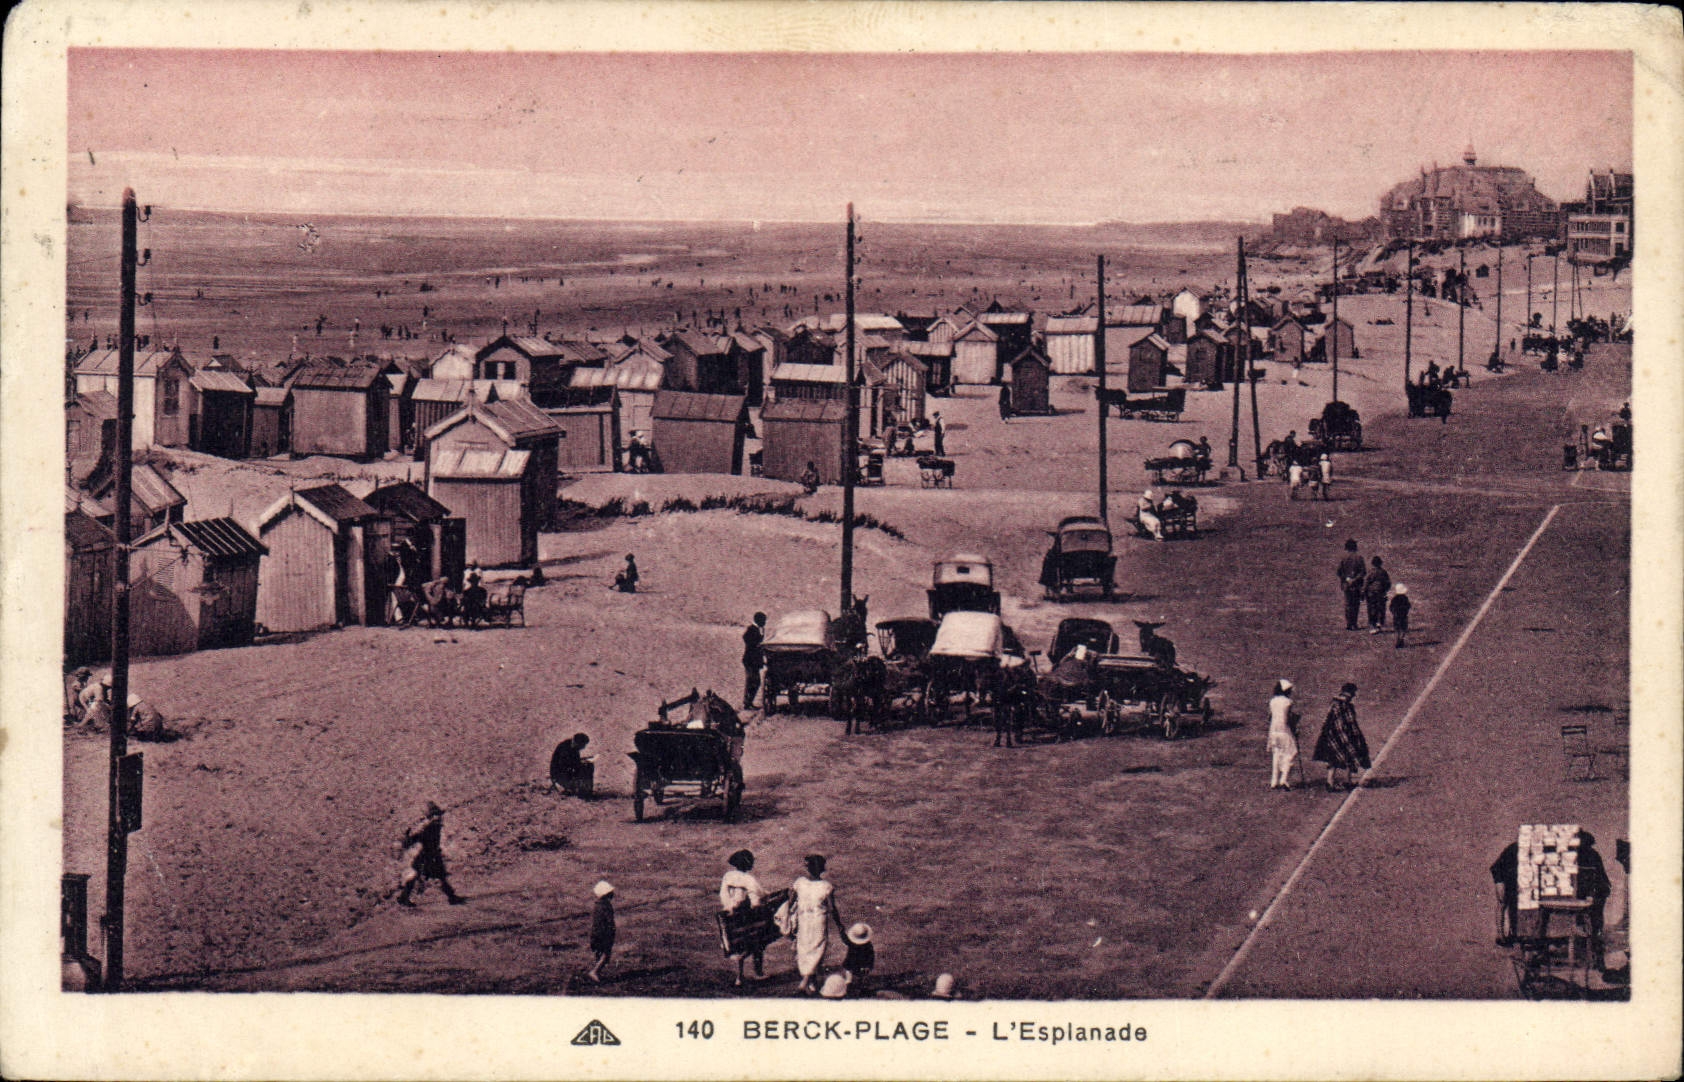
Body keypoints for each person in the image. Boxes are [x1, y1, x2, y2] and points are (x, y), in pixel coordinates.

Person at [790, 854, 846, 994]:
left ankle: (812, 983)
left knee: (804, 949)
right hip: (818, 921)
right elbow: (832, 909)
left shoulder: (800, 883)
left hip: (804, 920)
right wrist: (839, 925)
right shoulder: (826, 886)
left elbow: (790, 901)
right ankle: (805, 983)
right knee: (817, 949)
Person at [398, 802, 464, 907]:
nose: (440, 818)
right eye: (437, 815)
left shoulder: (433, 826)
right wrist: (410, 839)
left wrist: (410, 838)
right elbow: (420, 838)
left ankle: (404, 897)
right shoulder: (431, 828)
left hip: (429, 856)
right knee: (439, 877)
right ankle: (452, 898)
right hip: (428, 857)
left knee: (430, 877)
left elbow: (417, 838)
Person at [1312, 682, 1370, 791]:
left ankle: (1330, 783)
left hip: (1329, 735)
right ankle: (1348, 781)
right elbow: (1350, 723)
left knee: (1332, 760)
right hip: (1342, 735)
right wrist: (1356, 737)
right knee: (1351, 756)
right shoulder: (1346, 706)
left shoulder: (1333, 703)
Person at [720, 850, 766, 986]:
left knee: (739, 942)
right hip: (745, 914)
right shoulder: (749, 879)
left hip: (730, 913)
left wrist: (729, 906)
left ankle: (739, 976)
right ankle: (758, 973)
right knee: (758, 939)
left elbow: (723, 895)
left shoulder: (728, 876)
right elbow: (757, 896)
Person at [1267, 680, 1299, 790]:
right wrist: (1295, 728)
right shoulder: (1288, 702)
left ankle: (1274, 781)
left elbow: (1270, 716)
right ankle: (1284, 780)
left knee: (1276, 754)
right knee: (1290, 753)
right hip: (1284, 729)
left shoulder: (1272, 701)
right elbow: (1289, 718)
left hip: (1273, 730)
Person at [1489, 839, 1521, 946]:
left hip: (1515, 880)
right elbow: (1496, 867)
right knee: (1502, 903)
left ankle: (1513, 933)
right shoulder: (1513, 849)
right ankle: (1500, 935)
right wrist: (1499, 883)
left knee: (1514, 906)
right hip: (1503, 878)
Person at [588, 880, 615, 982]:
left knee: (599, 954)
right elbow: (609, 922)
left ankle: (596, 973)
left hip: (595, 934)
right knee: (606, 955)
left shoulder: (597, 905)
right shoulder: (607, 906)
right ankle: (594, 972)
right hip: (604, 934)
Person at [1337, 539, 1366, 631]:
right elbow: (1363, 572)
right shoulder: (1359, 558)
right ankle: (1354, 623)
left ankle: (1349, 624)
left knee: (1348, 604)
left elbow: (1339, 572)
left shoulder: (1343, 558)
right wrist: (1354, 580)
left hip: (1346, 585)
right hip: (1356, 585)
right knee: (1355, 605)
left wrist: (1346, 579)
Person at [742, 612, 768, 710]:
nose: (765, 622)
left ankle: (748, 702)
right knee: (753, 681)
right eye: (764, 621)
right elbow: (746, 639)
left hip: (753, 661)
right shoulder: (752, 629)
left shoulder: (757, 630)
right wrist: (757, 645)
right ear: (759, 620)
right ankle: (747, 702)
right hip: (750, 661)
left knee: (754, 681)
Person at [842, 923, 875, 993]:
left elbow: (844, 939)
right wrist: (869, 965)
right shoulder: (868, 945)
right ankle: (861, 985)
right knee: (862, 974)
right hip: (863, 962)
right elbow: (871, 955)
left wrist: (842, 931)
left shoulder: (851, 943)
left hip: (851, 960)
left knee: (849, 971)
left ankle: (848, 982)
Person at [1364, 556, 1392, 633]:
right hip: (1381, 593)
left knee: (1372, 609)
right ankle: (1379, 624)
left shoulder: (1370, 572)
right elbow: (1388, 583)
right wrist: (1385, 591)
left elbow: (1366, 583)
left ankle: (1373, 626)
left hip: (1371, 594)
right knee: (1381, 609)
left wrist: (1363, 592)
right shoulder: (1383, 572)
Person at [1389, 584, 1411, 648]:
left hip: (1396, 617)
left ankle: (1397, 641)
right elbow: (1408, 606)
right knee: (1403, 629)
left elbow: (1391, 607)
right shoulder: (1405, 598)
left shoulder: (1394, 599)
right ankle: (1401, 640)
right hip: (1403, 616)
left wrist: (1393, 612)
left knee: (1397, 629)